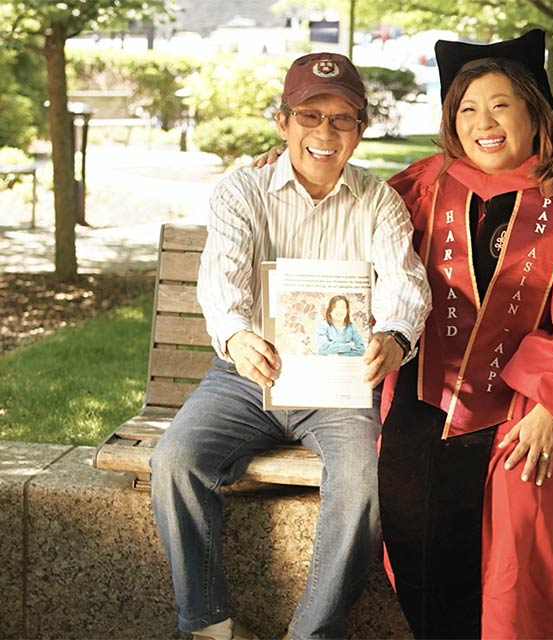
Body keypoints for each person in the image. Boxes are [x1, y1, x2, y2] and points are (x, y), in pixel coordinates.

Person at [150, 51, 431, 640]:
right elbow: (221, 278)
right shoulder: (243, 191)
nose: (324, 133)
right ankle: (208, 625)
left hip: (338, 385)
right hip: (247, 375)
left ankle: (311, 633)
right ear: (283, 122)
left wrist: (395, 334)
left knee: (361, 483)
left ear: (360, 129)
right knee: (176, 460)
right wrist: (236, 332)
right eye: (309, 115)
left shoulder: (378, 202)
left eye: (341, 119)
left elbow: (406, 281)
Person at [378, 30, 553, 639]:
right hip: (423, 387)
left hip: (533, 396)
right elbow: (344, 223)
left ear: (533, 113)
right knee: (409, 509)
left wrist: (551, 402)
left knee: (520, 512)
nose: (482, 123)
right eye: (466, 109)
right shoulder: (423, 186)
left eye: (499, 106)